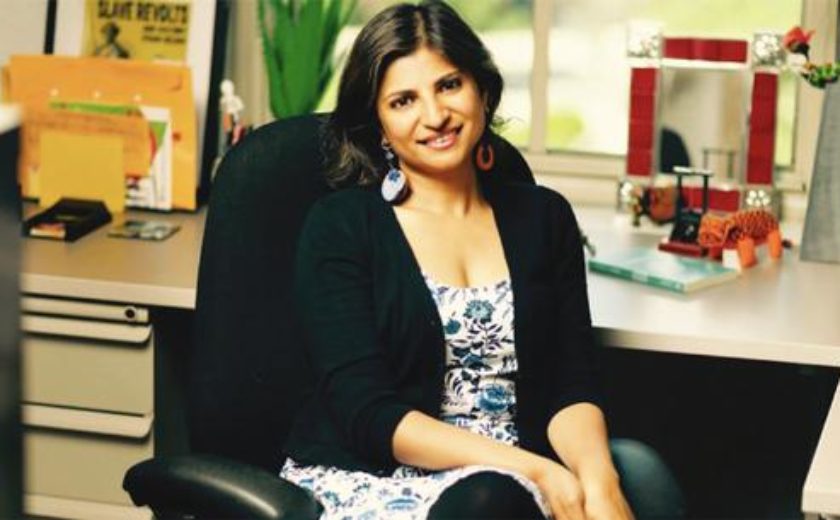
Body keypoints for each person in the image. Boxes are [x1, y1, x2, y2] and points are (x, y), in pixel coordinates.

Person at [281, 2, 684, 519]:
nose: (435, 116)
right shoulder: (341, 226)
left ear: (482, 90)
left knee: (641, 479)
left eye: (449, 85)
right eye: (404, 101)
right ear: (379, 125)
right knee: (491, 501)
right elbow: (369, 414)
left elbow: (570, 384)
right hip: (375, 475)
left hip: (512, 474)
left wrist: (600, 484)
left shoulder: (544, 218)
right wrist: (538, 472)